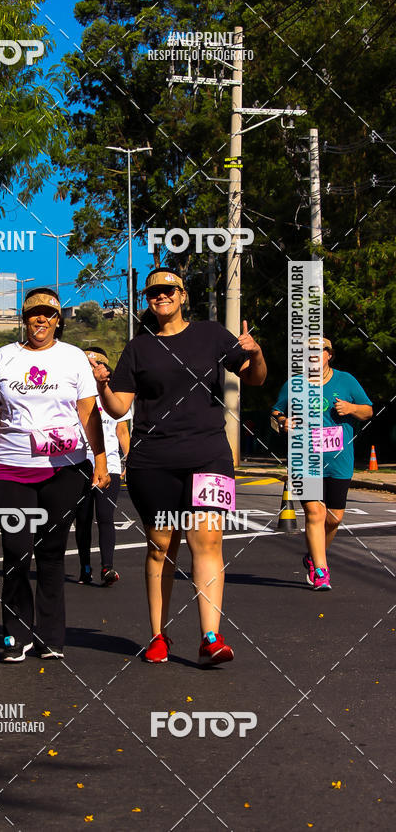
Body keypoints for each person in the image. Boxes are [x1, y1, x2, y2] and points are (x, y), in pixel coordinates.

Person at [90, 268, 266, 665]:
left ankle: (210, 637)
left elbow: (255, 379)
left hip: (209, 457)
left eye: (169, 289)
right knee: (161, 547)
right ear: (148, 300)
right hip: (153, 463)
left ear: (183, 295)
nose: (162, 295)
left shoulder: (211, 334)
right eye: (154, 292)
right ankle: (158, 635)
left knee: (208, 542)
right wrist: (102, 385)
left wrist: (255, 353)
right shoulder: (139, 348)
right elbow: (118, 407)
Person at [0, 288, 109, 663]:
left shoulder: (73, 358)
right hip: (11, 468)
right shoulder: (4, 358)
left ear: (58, 320)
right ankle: (15, 633)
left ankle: (50, 636)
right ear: (24, 319)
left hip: (65, 469)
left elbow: (88, 412)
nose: (41, 319)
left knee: (51, 552)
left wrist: (101, 459)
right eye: (33, 313)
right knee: (16, 550)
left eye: (48, 314)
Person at [271, 337, 373, 591]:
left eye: (318, 350)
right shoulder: (294, 384)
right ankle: (320, 570)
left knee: (334, 518)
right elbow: (275, 413)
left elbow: (368, 411)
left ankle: (314, 556)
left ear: (329, 354)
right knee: (315, 512)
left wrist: (351, 408)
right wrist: (283, 422)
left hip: (339, 460)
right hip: (304, 459)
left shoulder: (346, 381)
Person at [75, 346, 131, 586]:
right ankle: (85, 567)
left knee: (106, 516)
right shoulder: (73, 392)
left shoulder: (115, 394)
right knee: (83, 518)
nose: (91, 368)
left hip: (110, 465)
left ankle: (107, 567)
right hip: (80, 463)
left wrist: (129, 457)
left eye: (95, 364)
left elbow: (122, 430)